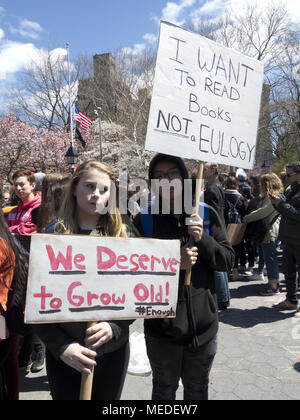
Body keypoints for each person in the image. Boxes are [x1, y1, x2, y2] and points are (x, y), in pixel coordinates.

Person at [133, 154, 235, 400]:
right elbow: (133, 274)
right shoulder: (143, 219)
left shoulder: (204, 212)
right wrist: (172, 263)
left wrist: (203, 239)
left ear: (184, 177)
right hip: (162, 330)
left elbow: (228, 260)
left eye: (173, 174)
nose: (166, 180)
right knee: (164, 391)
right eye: (159, 176)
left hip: (203, 328)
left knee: (197, 390)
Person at [34, 161, 136, 400]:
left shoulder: (126, 235)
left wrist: (115, 326)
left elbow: (138, 293)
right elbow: (35, 301)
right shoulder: (52, 235)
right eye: (89, 186)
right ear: (74, 188)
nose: (96, 194)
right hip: (66, 353)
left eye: (104, 189)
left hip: (112, 352)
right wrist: (61, 346)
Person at [0, 209, 28, 400]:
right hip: (6, 317)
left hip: (3, 318)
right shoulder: (6, 239)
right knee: (9, 362)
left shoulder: (2, 245)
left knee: (8, 362)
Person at [243, 173, 283, 296]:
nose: (260, 186)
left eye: (262, 183)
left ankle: (274, 286)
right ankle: (272, 282)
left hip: (269, 231)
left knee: (270, 259)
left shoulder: (273, 196)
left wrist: (247, 217)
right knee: (269, 258)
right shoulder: (273, 195)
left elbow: (263, 212)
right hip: (269, 230)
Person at [270, 162, 300, 312]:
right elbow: (286, 210)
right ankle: (291, 300)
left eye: (289, 175)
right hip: (288, 238)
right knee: (288, 272)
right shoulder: (291, 189)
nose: (286, 177)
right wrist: (276, 203)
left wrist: (281, 204)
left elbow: (297, 214)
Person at [203, 162, 231, 309]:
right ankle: (224, 296)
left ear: (214, 170)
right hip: (218, 227)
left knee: (216, 264)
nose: (202, 171)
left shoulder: (212, 189)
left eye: (206, 169)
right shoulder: (216, 186)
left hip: (214, 229)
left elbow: (213, 213)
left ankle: (222, 298)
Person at [224, 176, 248, 280]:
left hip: (225, 224)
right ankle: (235, 271)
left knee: (226, 246)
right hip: (237, 225)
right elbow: (244, 212)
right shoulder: (240, 197)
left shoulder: (222, 195)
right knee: (237, 246)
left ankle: (227, 268)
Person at [6, 169, 41, 235]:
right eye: (16, 185)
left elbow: (32, 227)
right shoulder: (13, 211)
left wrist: (9, 230)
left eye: (22, 184)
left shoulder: (40, 208)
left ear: (33, 185)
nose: (18, 188)